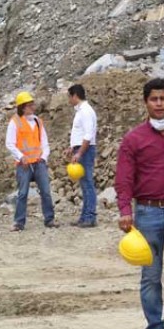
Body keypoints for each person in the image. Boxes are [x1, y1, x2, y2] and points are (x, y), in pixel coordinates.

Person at [115, 78, 164, 329]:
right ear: (146, 103)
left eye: (163, 99)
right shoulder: (134, 139)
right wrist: (125, 211)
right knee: (151, 277)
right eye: (154, 99)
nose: (159, 104)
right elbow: (124, 179)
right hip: (147, 212)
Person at [5, 91, 58, 231]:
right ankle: (18, 222)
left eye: (32, 104)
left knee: (46, 191)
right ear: (22, 107)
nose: (32, 107)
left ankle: (49, 219)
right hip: (24, 164)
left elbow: (44, 143)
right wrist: (20, 156)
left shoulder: (38, 122)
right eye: (29, 105)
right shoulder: (15, 122)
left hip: (39, 162)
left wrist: (43, 157)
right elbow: (10, 143)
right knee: (22, 193)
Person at [64, 84, 98, 227]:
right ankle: (84, 217)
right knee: (84, 185)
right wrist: (72, 148)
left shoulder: (85, 111)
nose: (69, 100)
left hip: (86, 150)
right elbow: (80, 133)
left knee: (88, 184)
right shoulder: (80, 111)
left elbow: (88, 135)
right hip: (82, 148)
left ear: (75, 96)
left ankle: (90, 217)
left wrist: (79, 153)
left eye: (69, 96)